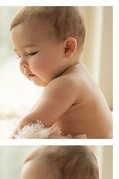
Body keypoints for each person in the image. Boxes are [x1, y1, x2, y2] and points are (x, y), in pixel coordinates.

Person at [10, 6, 112, 138]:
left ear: (67, 48)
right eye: (18, 55)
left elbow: (30, 124)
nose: (22, 64)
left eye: (31, 53)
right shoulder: (79, 73)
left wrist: (12, 138)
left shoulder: (67, 83)